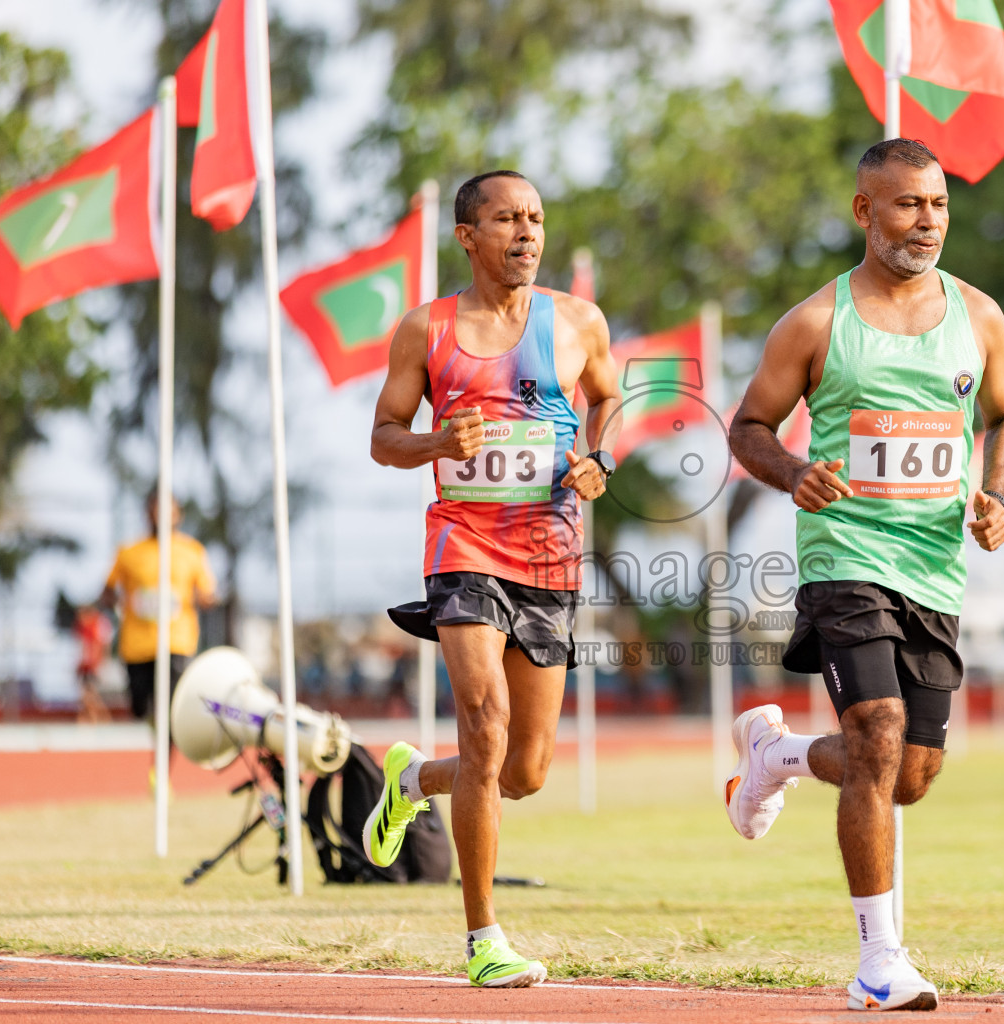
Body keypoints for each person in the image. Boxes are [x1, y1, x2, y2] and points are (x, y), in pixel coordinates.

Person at [726, 139, 1004, 1012]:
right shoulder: (818, 322)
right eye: (907, 206)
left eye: (937, 205)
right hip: (844, 559)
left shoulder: (979, 316)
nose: (926, 222)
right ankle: (879, 961)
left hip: (935, 569)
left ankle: (777, 755)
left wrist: (998, 496)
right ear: (866, 212)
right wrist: (791, 473)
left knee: (908, 774)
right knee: (878, 732)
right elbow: (749, 424)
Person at [364, 170, 621, 988]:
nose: (527, 233)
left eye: (536, 218)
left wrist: (597, 458)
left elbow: (609, 400)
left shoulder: (578, 321)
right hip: (465, 544)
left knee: (523, 771)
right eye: (507, 219)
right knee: (484, 721)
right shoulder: (425, 330)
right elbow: (383, 437)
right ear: (467, 236)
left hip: (549, 550)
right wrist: (439, 445)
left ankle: (412, 779)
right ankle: (484, 941)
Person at [98, 490, 218, 726]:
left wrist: (206, 601)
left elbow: (207, 593)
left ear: (178, 515)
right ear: (147, 514)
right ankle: (155, 732)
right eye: (155, 511)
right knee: (140, 708)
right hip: (137, 645)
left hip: (176, 642)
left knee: (172, 708)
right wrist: (118, 601)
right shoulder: (129, 553)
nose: (161, 517)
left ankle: (162, 758)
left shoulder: (192, 552)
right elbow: (107, 590)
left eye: (167, 511)